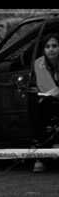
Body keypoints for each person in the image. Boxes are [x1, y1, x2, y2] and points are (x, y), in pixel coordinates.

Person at [31, 34, 59, 173]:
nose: (51, 49)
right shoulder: (39, 63)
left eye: (54, 46)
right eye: (47, 47)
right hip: (50, 99)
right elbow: (45, 88)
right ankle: (40, 156)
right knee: (38, 106)